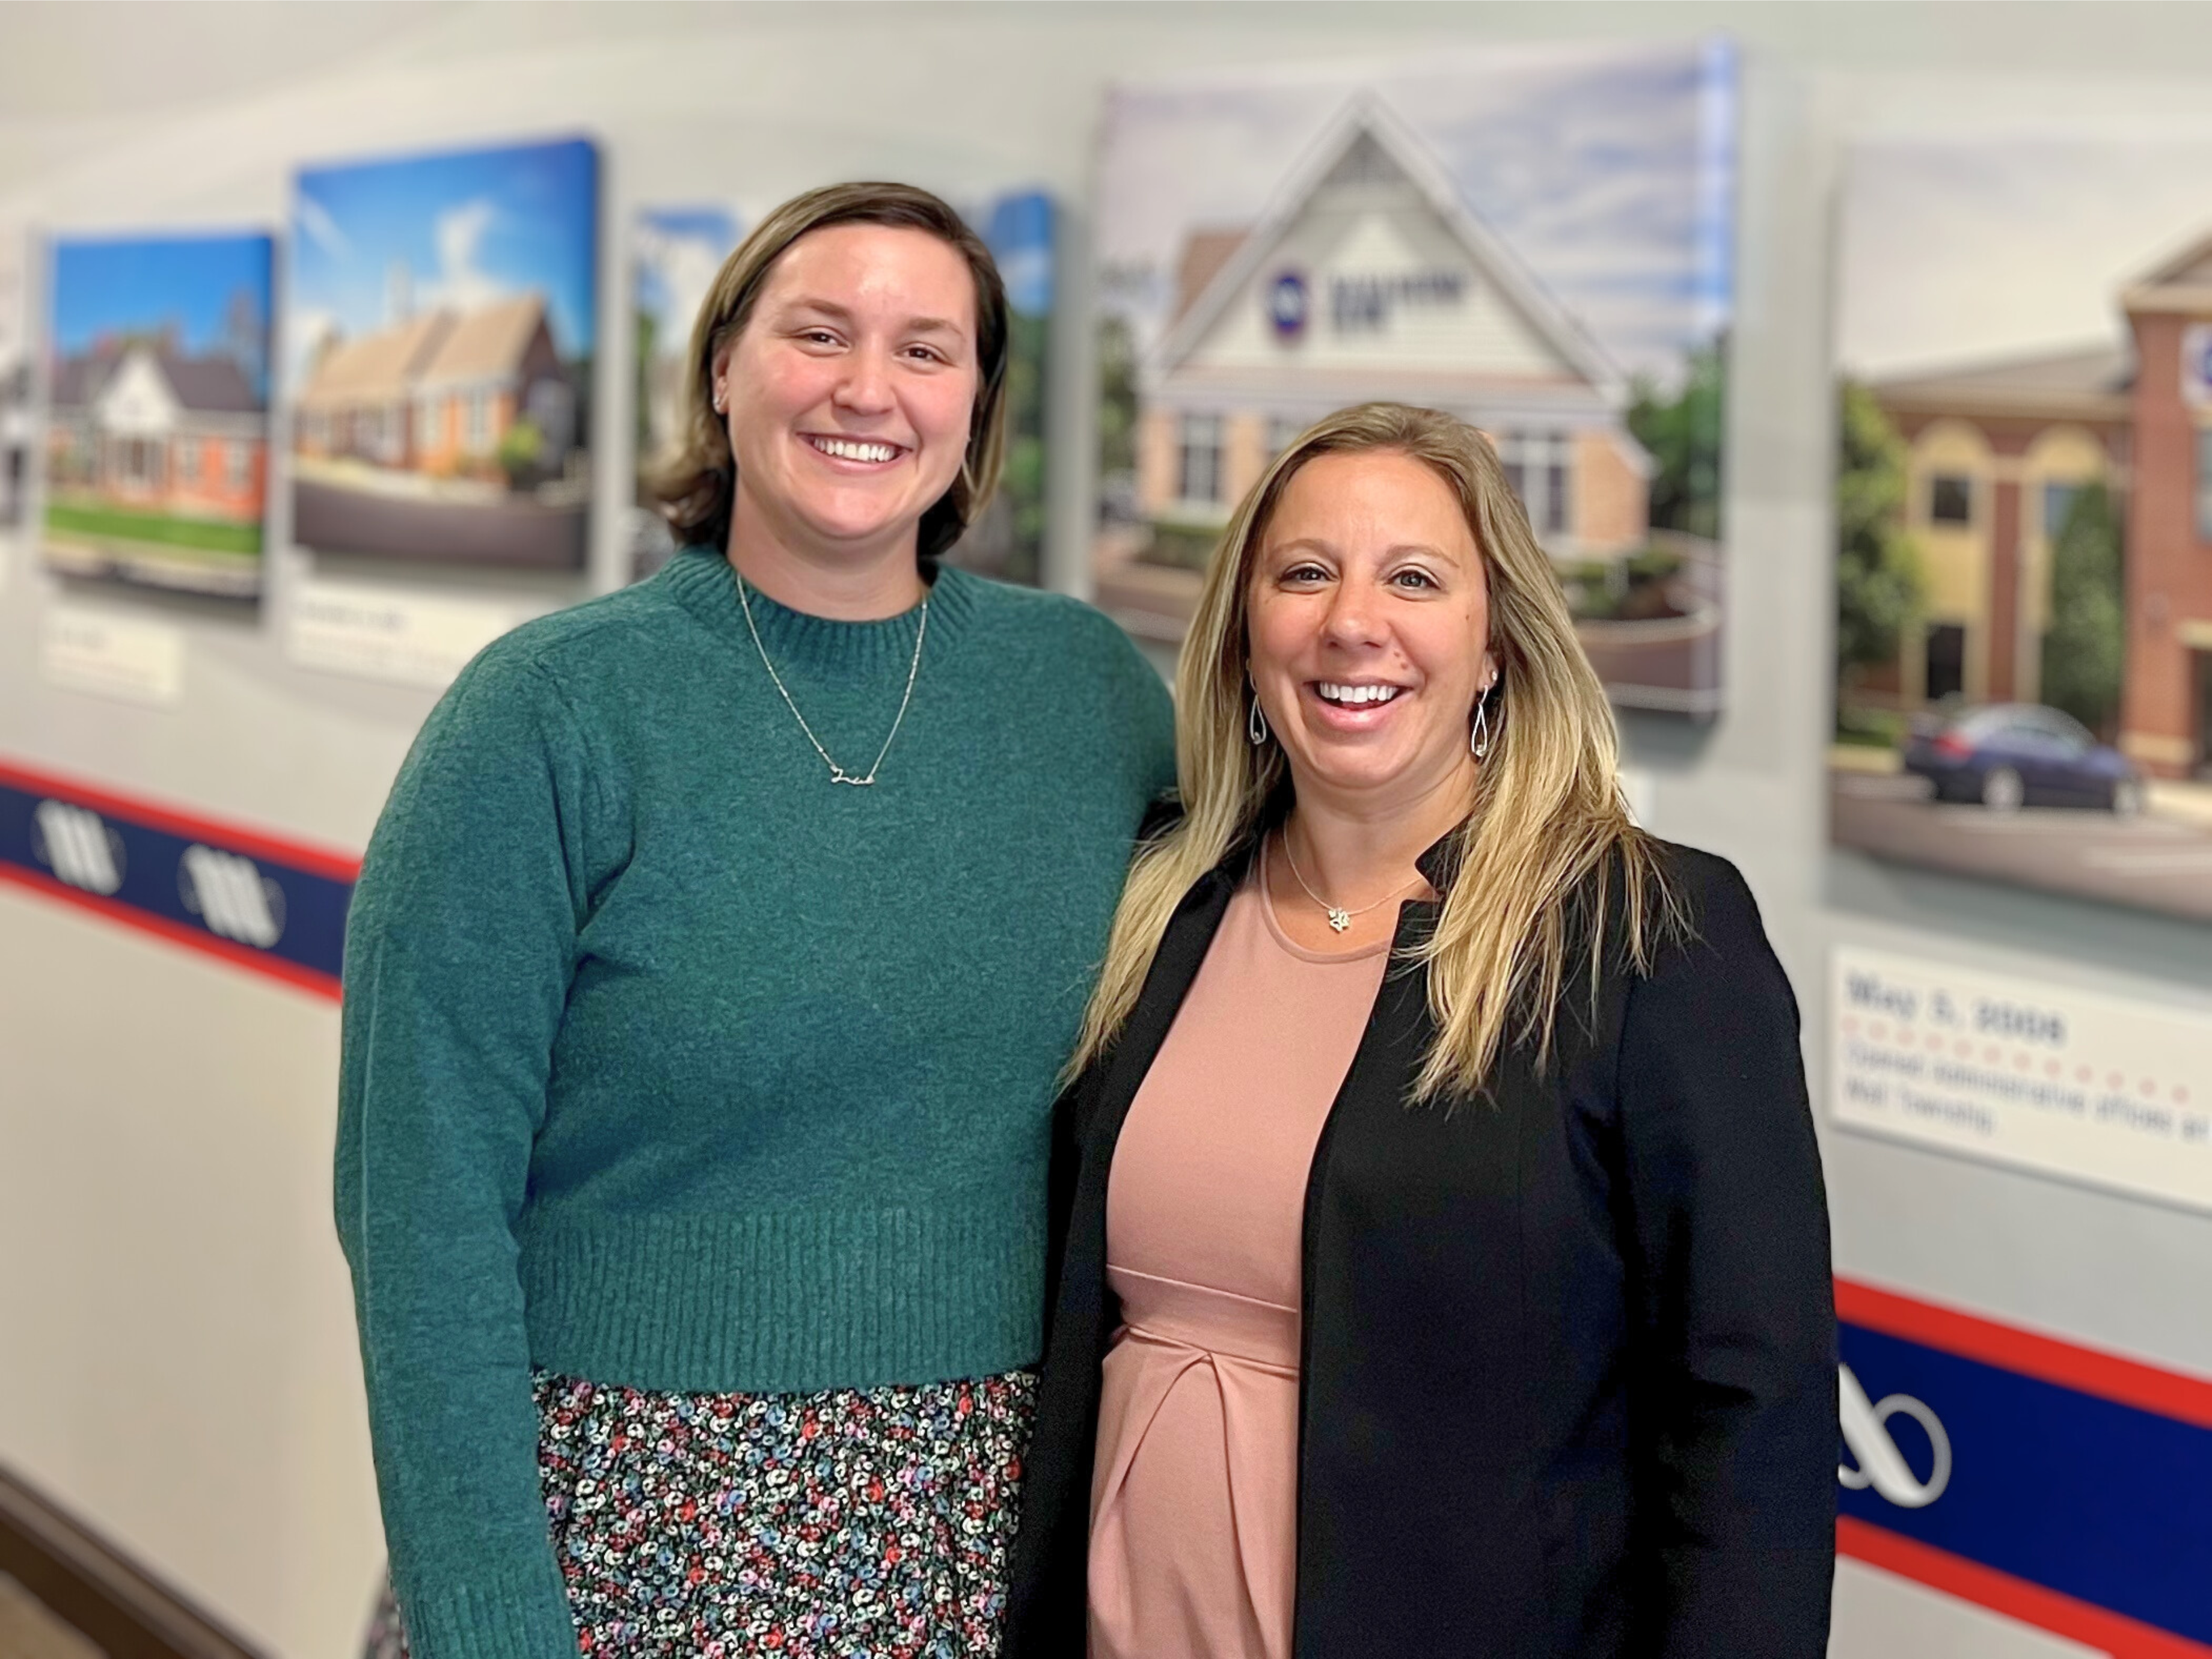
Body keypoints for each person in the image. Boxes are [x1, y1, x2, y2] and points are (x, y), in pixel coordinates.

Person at [336, 182, 1175, 1659]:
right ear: (723, 370)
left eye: (928, 349)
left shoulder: (1091, 701)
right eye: (819, 332)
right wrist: (485, 1622)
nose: (869, 388)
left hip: (982, 1531)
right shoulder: (549, 714)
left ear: (978, 407)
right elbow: (418, 1209)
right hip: (610, 1520)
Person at [1003, 403, 1836, 1659]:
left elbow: (1749, 1421)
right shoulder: (1156, 900)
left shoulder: (1651, 934)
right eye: (1303, 574)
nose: (1352, 622)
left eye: (1413, 578)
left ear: (1496, 639)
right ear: (1241, 637)